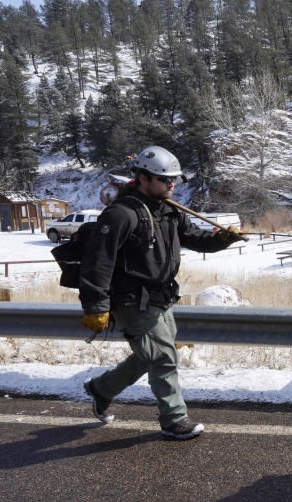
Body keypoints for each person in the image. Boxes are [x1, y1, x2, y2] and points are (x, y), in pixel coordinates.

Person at [80, 146, 245, 439]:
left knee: (151, 355)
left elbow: (195, 238)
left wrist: (223, 239)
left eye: (174, 180)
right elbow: (97, 262)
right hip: (131, 299)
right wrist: (96, 306)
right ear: (143, 178)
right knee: (164, 357)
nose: (171, 184)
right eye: (164, 179)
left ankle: (101, 389)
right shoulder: (121, 214)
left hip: (161, 296)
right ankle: (173, 419)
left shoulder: (169, 210)